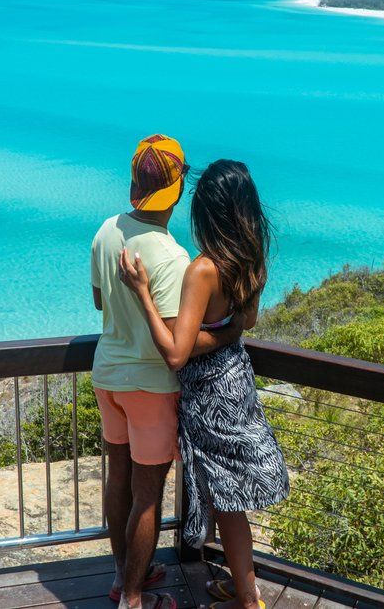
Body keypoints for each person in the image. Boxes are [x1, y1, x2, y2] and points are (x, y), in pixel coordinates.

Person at [118, 159, 289, 609]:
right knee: (229, 495)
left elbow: (175, 353)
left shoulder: (203, 270)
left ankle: (249, 600)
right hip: (237, 378)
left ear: (207, 211)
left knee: (227, 500)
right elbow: (246, 321)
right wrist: (222, 332)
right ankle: (241, 583)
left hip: (208, 395)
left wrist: (143, 295)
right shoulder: (253, 260)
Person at [91, 136, 243, 609]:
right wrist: (232, 331)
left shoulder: (106, 231)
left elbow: (100, 302)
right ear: (176, 191)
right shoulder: (173, 258)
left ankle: (124, 577)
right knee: (148, 494)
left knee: (118, 480)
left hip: (107, 374)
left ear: (136, 184)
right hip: (150, 385)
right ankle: (133, 599)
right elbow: (182, 342)